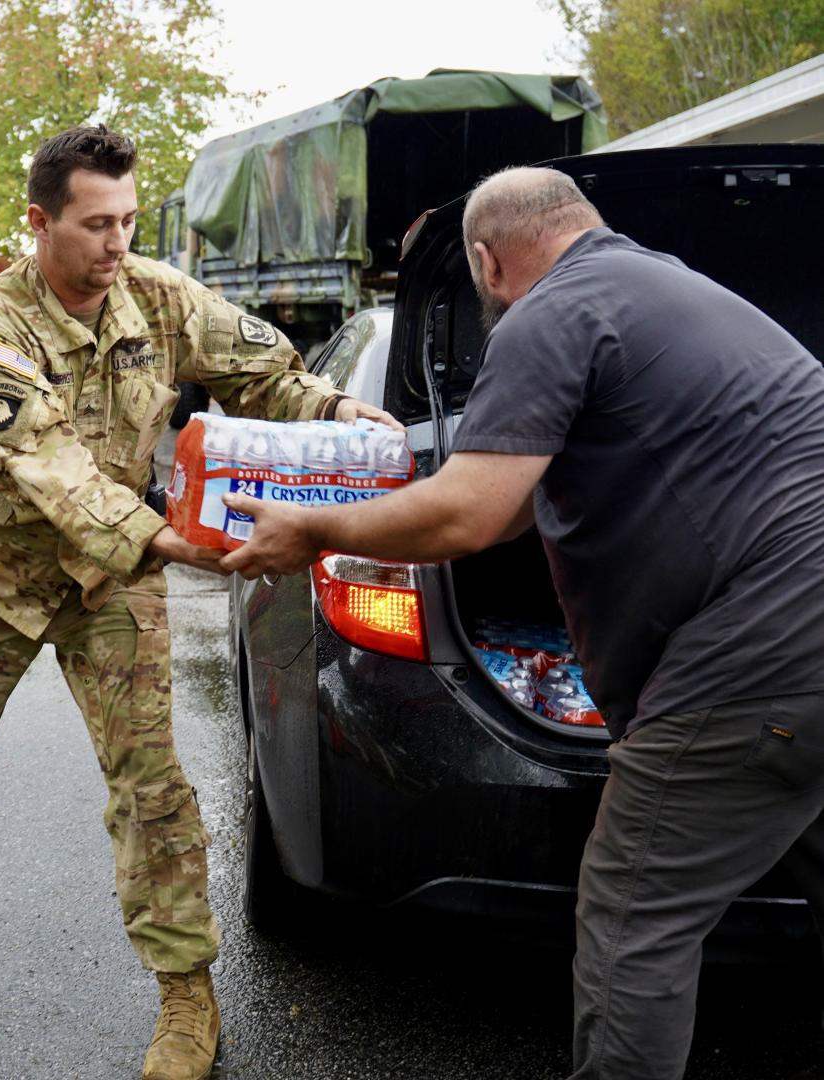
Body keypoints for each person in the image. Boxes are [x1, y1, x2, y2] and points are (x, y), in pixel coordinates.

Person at [0, 125, 396, 1080]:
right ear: (39, 223)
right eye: (95, 225)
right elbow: (50, 464)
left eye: (127, 221)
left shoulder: (156, 294)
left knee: (151, 785)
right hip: (4, 575)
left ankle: (188, 997)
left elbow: (261, 369)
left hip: (111, 583)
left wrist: (330, 409)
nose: (117, 245)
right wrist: (172, 542)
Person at [218, 166, 824, 1080]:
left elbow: (463, 516)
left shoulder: (553, 311)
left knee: (633, 917)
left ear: (488, 260)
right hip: (799, 648)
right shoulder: (668, 287)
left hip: (758, 663)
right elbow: (502, 511)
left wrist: (316, 528)